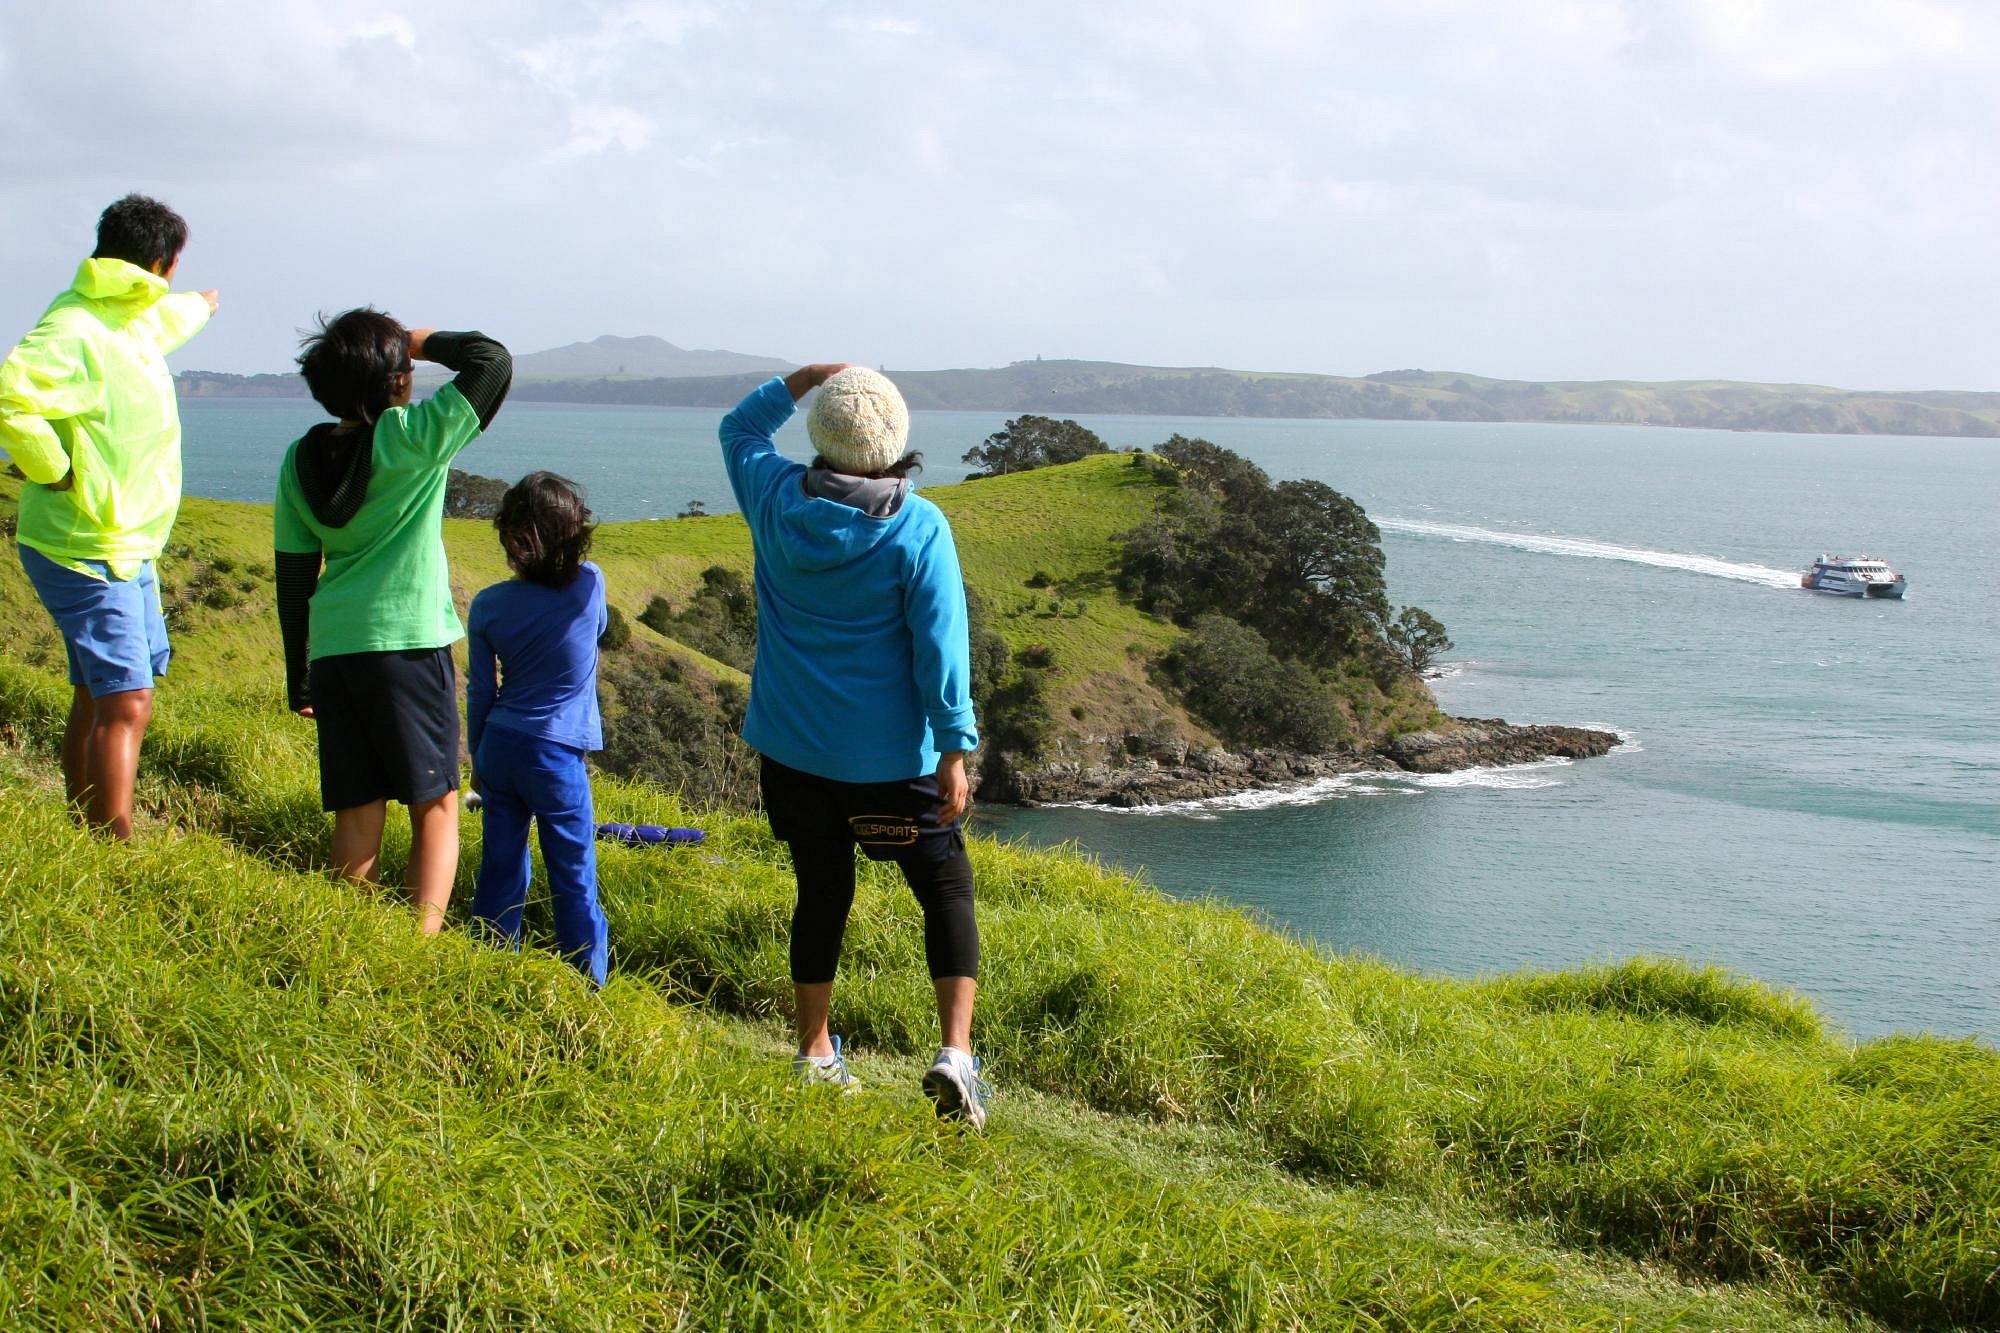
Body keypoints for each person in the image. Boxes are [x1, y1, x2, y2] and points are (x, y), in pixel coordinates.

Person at [720, 363, 988, 1129]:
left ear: (821, 435)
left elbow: (737, 428)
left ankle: (814, 1053)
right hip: (892, 765)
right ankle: (955, 1055)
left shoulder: (771, 496)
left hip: (794, 753)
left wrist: (804, 376)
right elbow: (941, 647)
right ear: (897, 439)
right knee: (944, 889)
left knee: (822, 890)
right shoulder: (918, 525)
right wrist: (953, 747)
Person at [272, 311, 510, 934]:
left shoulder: (299, 460)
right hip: (406, 642)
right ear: (397, 383)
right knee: (435, 802)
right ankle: (417, 946)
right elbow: (493, 362)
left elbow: (295, 576)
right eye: (403, 370)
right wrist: (418, 341)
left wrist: (299, 673)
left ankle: (355, 938)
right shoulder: (409, 438)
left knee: (356, 805)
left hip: (333, 648)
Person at [0, 195, 217, 839]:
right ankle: (113, 847)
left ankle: (83, 825)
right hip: (86, 543)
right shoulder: (75, 328)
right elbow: (12, 396)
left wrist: (204, 304)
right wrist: (51, 466)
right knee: (127, 700)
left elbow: (169, 317)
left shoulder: (129, 317)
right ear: (158, 262)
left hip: (124, 542)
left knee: (99, 693)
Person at [465, 472, 610, 985]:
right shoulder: (590, 584)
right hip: (555, 752)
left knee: (500, 867)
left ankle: (487, 972)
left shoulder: (487, 605)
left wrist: (477, 756)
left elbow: (481, 691)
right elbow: (598, 632)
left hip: (500, 746)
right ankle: (586, 987)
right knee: (572, 874)